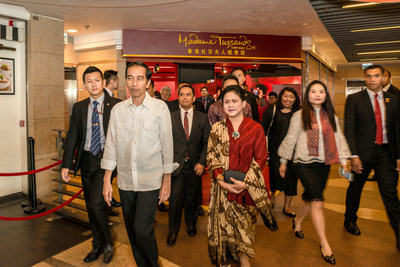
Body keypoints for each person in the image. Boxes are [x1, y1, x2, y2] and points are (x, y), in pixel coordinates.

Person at [101, 62, 174, 267]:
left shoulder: (160, 109)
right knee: (132, 231)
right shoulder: (117, 110)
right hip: (125, 181)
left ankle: (153, 264)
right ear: (125, 81)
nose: (134, 83)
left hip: (150, 180)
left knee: (142, 229)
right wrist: (107, 180)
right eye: (130, 78)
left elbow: (167, 146)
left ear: (148, 82)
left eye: (140, 78)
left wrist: (167, 180)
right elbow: (111, 145)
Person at [278, 80, 350, 265]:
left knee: (310, 198)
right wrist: (283, 161)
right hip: (303, 163)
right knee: (317, 201)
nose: (317, 94)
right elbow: (291, 138)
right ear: (307, 95)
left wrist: (343, 161)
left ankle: (298, 223)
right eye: (313, 91)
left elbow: (338, 136)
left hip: (324, 163)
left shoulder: (330, 115)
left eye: (321, 91)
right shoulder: (299, 115)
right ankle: (324, 244)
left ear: (326, 95)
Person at [207, 85, 276, 267]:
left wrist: (246, 182)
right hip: (222, 188)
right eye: (226, 102)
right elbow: (211, 156)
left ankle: (244, 260)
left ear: (244, 103)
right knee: (223, 227)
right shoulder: (216, 128)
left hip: (247, 189)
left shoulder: (255, 129)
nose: (230, 105)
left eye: (235, 101)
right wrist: (221, 181)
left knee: (245, 227)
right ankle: (228, 259)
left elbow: (261, 158)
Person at [61, 66, 121, 264]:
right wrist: (66, 164)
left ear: (103, 82)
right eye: (89, 81)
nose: (93, 84)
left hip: (106, 161)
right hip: (86, 160)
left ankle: (108, 242)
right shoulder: (79, 107)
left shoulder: (117, 105)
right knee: (91, 206)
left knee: (97, 203)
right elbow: (72, 137)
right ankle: (97, 244)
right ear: (84, 84)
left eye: (97, 80)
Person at [344, 64, 400, 252]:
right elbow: (349, 129)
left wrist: (398, 156)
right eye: (368, 76)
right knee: (355, 188)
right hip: (362, 154)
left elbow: (398, 131)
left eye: (376, 76)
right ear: (365, 78)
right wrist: (354, 155)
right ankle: (350, 220)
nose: (372, 79)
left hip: (385, 154)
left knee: (390, 193)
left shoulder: (394, 100)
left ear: (383, 77)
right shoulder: (354, 99)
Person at [167, 84, 211, 245]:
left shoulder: (202, 117)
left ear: (194, 98)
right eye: (182, 95)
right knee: (175, 199)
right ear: (178, 98)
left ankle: (191, 224)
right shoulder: (170, 117)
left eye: (188, 95)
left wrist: (201, 162)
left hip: (195, 166)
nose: (185, 97)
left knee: (192, 198)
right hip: (176, 166)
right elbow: (165, 142)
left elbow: (208, 143)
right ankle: (173, 230)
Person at [261, 87, 301, 217]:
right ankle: (272, 201)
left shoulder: (299, 113)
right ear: (280, 97)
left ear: (295, 99)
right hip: (275, 152)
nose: (288, 99)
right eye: (285, 96)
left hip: (293, 153)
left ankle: (287, 207)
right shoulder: (272, 110)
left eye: (291, 97)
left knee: (292, 179)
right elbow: (262, 129)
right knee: (274, 178)